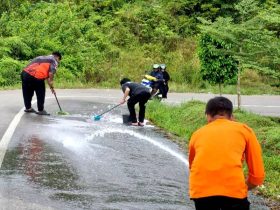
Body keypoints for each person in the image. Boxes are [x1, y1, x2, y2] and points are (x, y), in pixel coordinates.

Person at [188, 96, 265, 210]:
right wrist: (243, 186)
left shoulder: (197, 134)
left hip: (201, 193)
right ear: (232, 117)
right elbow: (257, 175)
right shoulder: (245, 131)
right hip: (234, 193)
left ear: (207, 116)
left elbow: (192, 166)